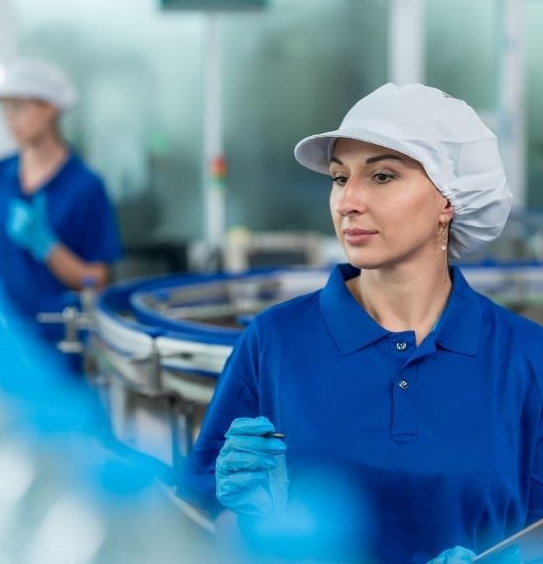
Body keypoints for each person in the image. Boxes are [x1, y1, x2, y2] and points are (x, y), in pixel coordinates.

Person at [177, 83, 543, 563]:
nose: (348, 201)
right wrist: (248, 524)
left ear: (449, 200)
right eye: (338, 177)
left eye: (383, 176)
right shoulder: (275, 342)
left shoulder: (525, 356)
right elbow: (190, 524)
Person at [0, 60, 122, 326]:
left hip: (55, 342)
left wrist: (48, 247)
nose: (9, 119)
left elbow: (96, 280)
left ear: (50, 107)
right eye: (4, 109)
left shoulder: (85, 187)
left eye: (18, 107)